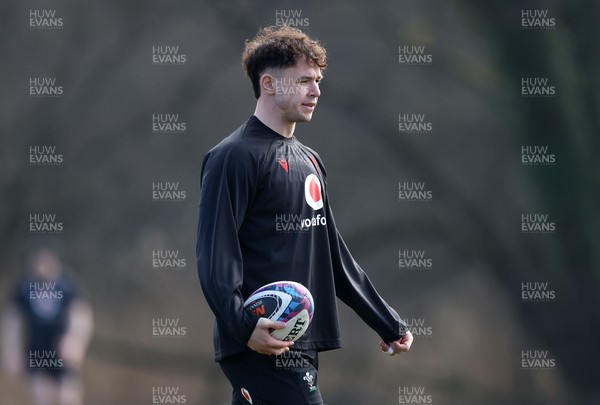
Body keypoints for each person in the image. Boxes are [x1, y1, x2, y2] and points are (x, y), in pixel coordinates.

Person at [196, 26, 413, 405]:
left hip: (300, 341)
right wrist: (245, 326)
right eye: (304, 81)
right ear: (269, 83)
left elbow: (332, 255)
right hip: (262, 341)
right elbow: (216, 256)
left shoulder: (309, 160)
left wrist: (386, 320)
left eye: (317, 81)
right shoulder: (234, 157)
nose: (316, 91)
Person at [1, 240, 93, 405]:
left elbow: (80, 314)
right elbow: (12, 321)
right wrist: (11, 351)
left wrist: (75, 340)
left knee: (67, 396)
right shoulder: (24, 286)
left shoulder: (67, 283)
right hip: (36, 349)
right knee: (42, 397)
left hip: (62, 351)